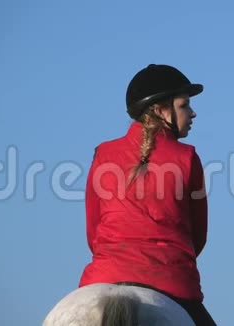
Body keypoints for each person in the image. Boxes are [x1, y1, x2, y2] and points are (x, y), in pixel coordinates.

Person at [79, 64, 216, 325]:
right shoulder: (187, 158)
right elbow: (198, 236)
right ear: (159, 109)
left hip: (103, 275)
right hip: (170, 280)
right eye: (184, 105)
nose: (193, 112)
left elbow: (92, 231)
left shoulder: (103, 154)